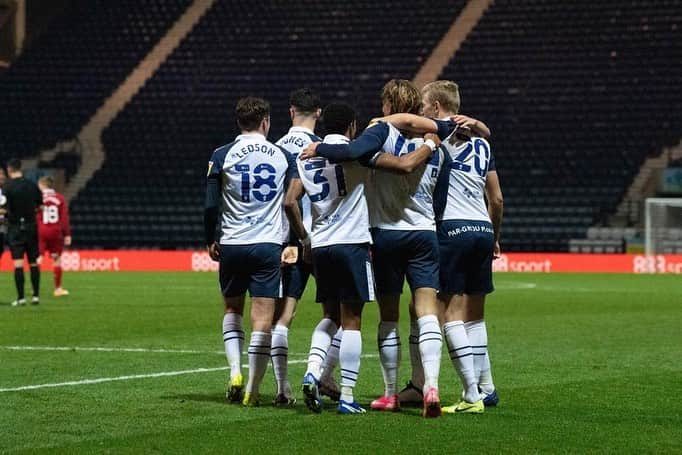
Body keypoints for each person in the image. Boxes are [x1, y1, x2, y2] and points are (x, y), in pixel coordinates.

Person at [301, 79, 477, 418]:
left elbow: (356, 156)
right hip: (424, 233)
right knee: (427, 312)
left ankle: (390, 393)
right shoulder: (436, 145)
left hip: (384, 235)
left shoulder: (380, 133)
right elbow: (440, 196)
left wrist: (321, 148)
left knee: (389, 317)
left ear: (387, 104)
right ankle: (431, 386)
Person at [287, 102, 442, 415]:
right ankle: (346, 395)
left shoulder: (305, 157)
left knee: (329, 317)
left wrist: (303, 238)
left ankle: (313, 371)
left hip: (320, 244)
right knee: (352, 322)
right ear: (353, 127)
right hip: (353, 242)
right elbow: (400, 166)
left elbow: (290, 201)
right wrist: (429, 142)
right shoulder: (359, 154)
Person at [204, 97, 296, 407]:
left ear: (239, 122)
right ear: (266, 122)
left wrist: (210, 238)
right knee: (262, 320)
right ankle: (253, 391)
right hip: (267, 244)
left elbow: (209, 204)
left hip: (232, 242)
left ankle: (234, 372)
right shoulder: (282, 156)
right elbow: (291, 201)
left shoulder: (222, 155)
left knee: (232, 311)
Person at [426, 81, 503, 414]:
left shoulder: (440, 138)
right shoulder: (483, 145)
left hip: (452, 228)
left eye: (426, 105)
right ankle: (487, 387)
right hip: (483, 229)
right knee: (475, 314)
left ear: (439, 106)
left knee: (448, 314)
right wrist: (495, 236)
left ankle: (471, 394)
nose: (423, 111)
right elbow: (497, 199)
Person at [271, 88, 324, 406]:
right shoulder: (320, 148)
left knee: (283, 316)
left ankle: (282, 389)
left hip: (283, 239)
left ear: (291, 111)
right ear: (318, 112)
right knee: (341, 311)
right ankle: (322, 374)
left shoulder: (274, 148)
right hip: (316, 238)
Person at [3, 158, 43, 306]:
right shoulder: (31, 185)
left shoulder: (7, 187)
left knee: (18, 264)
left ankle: (21, 298)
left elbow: (3, 207)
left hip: (15, 228)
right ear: (20, 168)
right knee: (33, 263)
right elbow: (40, 206)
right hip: (31, 227)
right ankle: (36, 297)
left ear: (9, 169)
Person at [37, 176, 72, 297]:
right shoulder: (60, 198)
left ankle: (34, 289)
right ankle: (58, 289)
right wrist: (67, 234)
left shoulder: (38, 198)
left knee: (37, 259)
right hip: (55, 232)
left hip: (41, 231)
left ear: (42, 185)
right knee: (56, 259)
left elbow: (33, 215)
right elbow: (64, 218)